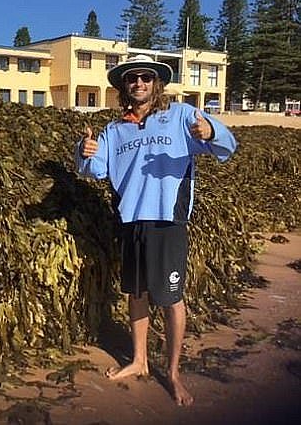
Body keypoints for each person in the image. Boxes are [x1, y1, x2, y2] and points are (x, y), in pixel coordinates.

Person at [75, 54, 237, 406]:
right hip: (131, 220)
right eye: (131, 78)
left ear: (156, 82)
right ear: (123, 86)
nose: (138, 83)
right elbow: (95, 169)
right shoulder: (114, 130)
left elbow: (227, 145)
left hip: (168, 220)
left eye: (145, 77)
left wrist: (211, 133)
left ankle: (174, 373)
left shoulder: (179, 116)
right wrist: (84, 152)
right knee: (137, 294)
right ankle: (139, 360)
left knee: (171, 299)